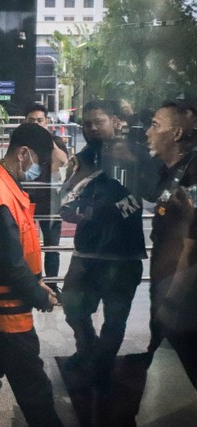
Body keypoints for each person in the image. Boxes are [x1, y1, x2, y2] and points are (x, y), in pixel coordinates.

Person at [0, 123, 61, 426]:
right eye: (42, 162)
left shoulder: (6, 187)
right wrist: (39, 295)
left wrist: (36, 281)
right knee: (35, 391)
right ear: (23, 153)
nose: (42, 170)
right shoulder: (0, 195)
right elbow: (10, 264)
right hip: (7, 314)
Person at [59, 100, 147, 391]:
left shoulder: (133, 154)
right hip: (87, 252)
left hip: (124, 254)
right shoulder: (82, 158)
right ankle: (88, 351)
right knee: (73, 308)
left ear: (114, 121)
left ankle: (101, 364)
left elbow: (146, 194)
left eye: (99, 121)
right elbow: (65, 201)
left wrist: (100, 210)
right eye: (87, 123)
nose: (93, 127)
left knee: (115, 317)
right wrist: (86, 211)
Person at [145, 100, 197, 386]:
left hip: (184, 295)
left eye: (155, 125)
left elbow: (192, 246)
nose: (147, 132)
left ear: (176, 134)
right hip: (165, 285)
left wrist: (171, 301)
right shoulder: (167, 172)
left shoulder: (193, 175)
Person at [24, 103, 69, 300]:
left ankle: (52, 285)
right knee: (25, 244)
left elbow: (63, 162)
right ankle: (29, 285)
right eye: (32, 121)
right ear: (26, 122)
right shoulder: (21, 143)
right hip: (26, 197)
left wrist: (48, 141)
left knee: (52, 246)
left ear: (47, 121)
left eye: (40, 120)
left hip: (50, 199)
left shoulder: (56, 140)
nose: (36, 124)